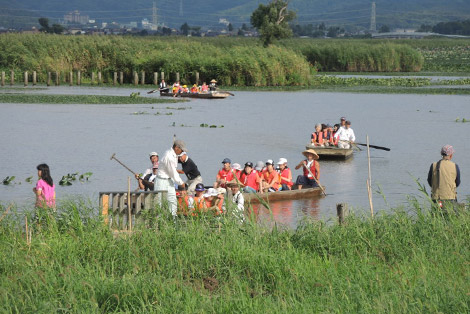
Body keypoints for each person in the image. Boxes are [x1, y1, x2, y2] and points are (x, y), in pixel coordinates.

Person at [154, 139, 187, 217]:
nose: (182, 152)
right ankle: (158, 225)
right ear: (176, 148)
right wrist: (181, 183)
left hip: (169, 181)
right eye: (181, 150)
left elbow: (173, 173)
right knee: (159, 203)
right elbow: (173, 172)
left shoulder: (174, 155)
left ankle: (173, 223)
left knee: (172, 202)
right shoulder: (169, 156)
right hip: (161, 182)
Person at [427, 145, 461, 209]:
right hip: (450, 197)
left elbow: (429, 181)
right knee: (451, 216)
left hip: (436, 198)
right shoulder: (455, 166)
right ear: (451, 155)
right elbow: (458, 182)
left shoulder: (433, 165)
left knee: (436, 216)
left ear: (441, 154)